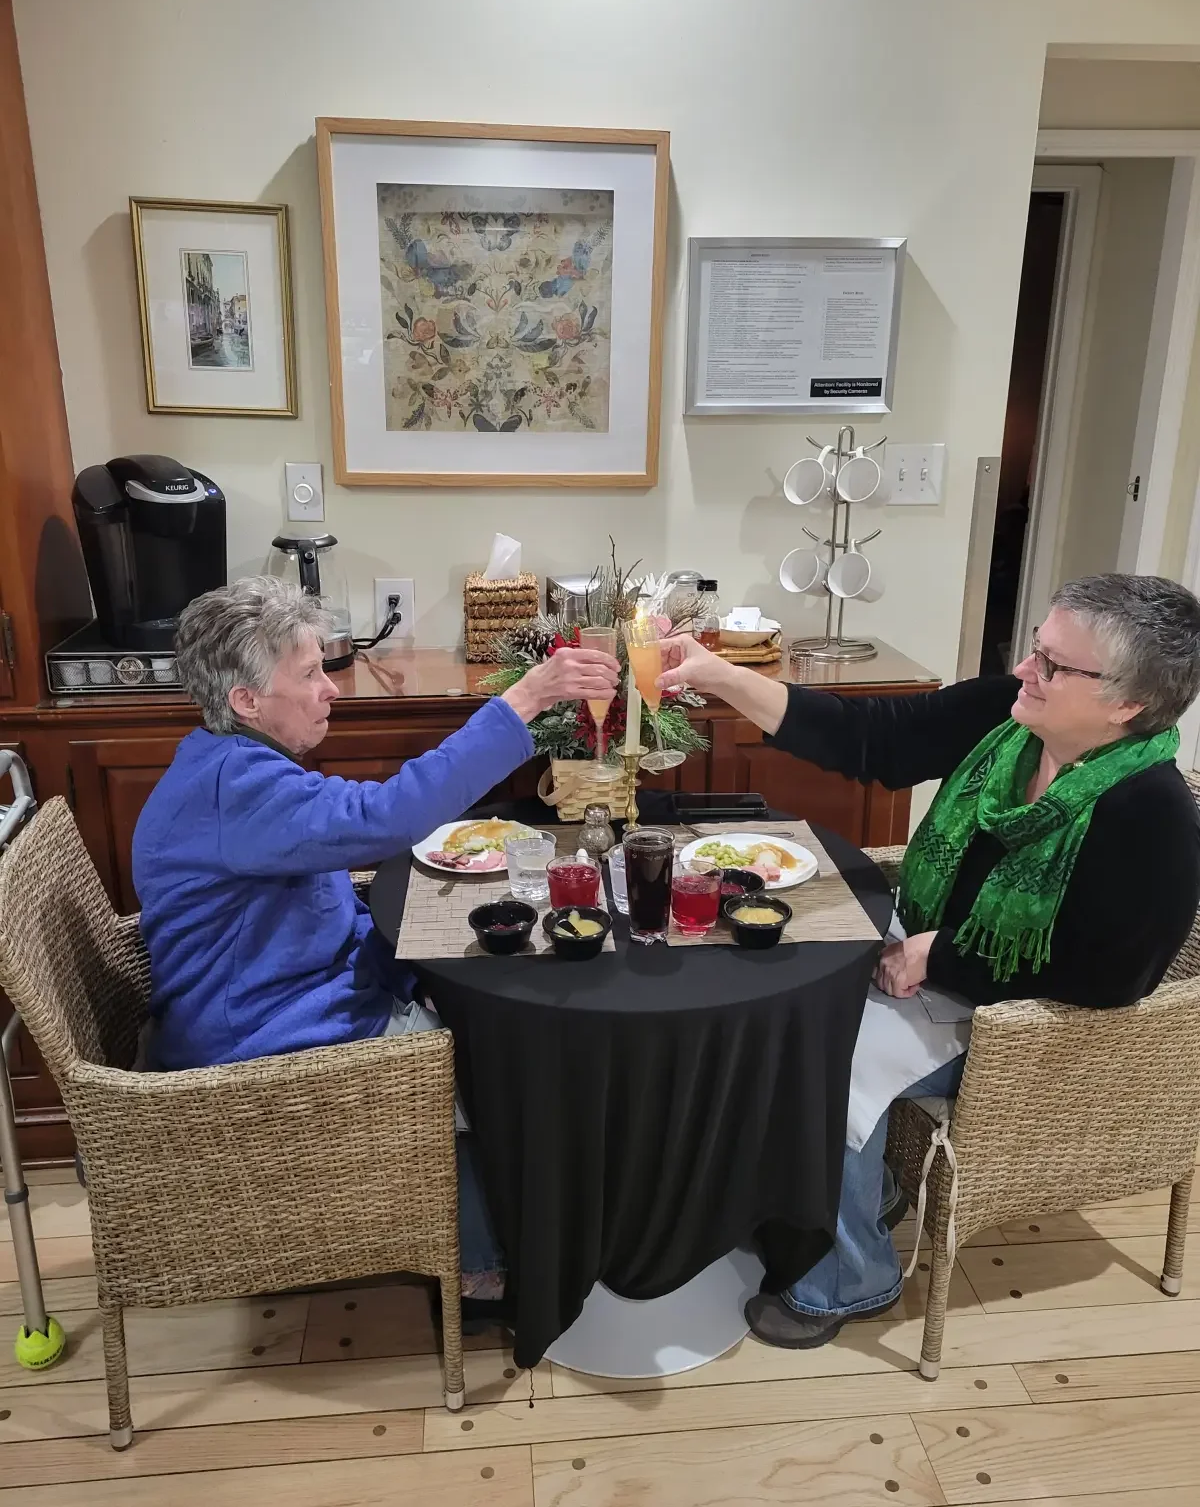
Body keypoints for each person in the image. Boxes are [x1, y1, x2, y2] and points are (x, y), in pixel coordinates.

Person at [658, 573, 1200, 1348]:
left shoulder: (1149, 813)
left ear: (1126, 703)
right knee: (764, 999)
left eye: (1054, 665)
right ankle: (859, 1190)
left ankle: (851, 1275)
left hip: (1023, 1029)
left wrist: (944, 958)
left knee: (813, 1054)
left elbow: (1112, 974)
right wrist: (715, 673)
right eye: (1035, 651)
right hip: (922, 965)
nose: (1025, 673)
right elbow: (872, 739)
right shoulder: (1008, 720)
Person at [133, 575, 618, 1292]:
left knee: (492, 1014)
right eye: (309, 675)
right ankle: (484, 1268)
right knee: (509, 1059)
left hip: (282, 994)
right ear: (246, 701)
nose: (331, 689)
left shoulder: (223, 762)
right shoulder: (237, 788)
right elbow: (386, 817)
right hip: (263, 1037)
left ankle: (497, 1237)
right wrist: (523, 699)